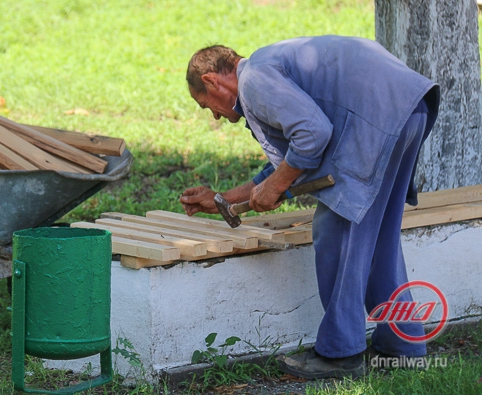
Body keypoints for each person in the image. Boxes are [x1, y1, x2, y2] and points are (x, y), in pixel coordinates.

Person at [180, 35, 440, 379]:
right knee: (378, 241)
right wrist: (224, 200)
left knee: (335, 232)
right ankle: (403, 346)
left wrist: (277, 185)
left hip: (377, 119)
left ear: (213, 80)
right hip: (406, 109)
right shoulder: (268, 69)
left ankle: (340, 354)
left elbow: (313, 134)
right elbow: (288, 163)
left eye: (205, 104)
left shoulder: (254, 79)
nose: (213, 115)